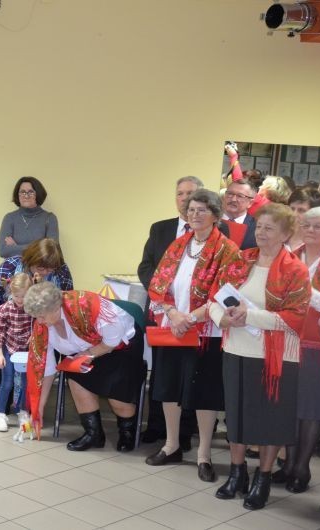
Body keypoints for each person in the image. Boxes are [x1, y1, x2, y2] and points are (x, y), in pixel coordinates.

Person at [210, 203, 309, 510]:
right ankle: (237, 473)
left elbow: (296, 317)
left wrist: (249, 316)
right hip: (237, 349)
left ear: (286, 234)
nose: (261, 233)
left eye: (270, 228)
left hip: (275, 357)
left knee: (270, 420)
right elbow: (215, 297)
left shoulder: (295, 270)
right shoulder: (241, 260)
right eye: (260, 226)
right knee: (236, 415)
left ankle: (262, 478)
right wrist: (222, 319)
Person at [146, 189, 240, 483]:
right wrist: (173, 314)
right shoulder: (178, 245)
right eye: (191, 210)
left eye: (202, 210)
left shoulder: (227, 249)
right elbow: (159, 284)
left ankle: (204, 455)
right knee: (169, 388)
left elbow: (224, 293)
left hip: (206, 333)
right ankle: (171, 445)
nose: (195, 215)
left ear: (215, 215)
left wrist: (190, 318)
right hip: (173, 328)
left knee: (204, 394)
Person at [23, 281, 143, 450]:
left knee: (118, 399)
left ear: (56, 308)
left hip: (120, 347)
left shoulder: (85, 306)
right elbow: (46, 369)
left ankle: (127, 432)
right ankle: (93, 434)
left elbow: (112, 341)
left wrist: (89, 353)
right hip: (84, 351)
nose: (39, 321)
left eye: (42, 316)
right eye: (36, 317)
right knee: (76, 377)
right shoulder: (43, 326)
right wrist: (39, 408)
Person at [137, 176, 205, 449]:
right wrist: (163, 294)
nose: (185, 198)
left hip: (193, 316)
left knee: (190, 373)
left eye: (191, 193)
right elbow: (145, 267)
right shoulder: (160, 228)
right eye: (180, 193)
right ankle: (156, 426)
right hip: (162, 312)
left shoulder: (214, 232)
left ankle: (184, 432)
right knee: (162, 371)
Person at [275, 207, 320, 493]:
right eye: (307, 224)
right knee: (289, 403)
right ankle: (287, 463)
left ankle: (302, 467)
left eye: (319, 226)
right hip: (287, 338)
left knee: (310, 406)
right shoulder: (291, 256)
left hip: (318, 342)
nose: (310, 230)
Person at [0, 238, 74, 400]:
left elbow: (67, 301)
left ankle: (33, 398)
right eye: (41, 268)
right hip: (10, 328)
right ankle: (8, 396)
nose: (45, 272)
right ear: (30, 260)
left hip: (45, 329)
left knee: (57, 348)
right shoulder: (10, 266)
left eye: (50, 269)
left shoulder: (62, 271)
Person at [0, 273, 34, 432]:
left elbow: (39, 326)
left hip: (25, 351)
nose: (20, 300)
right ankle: (0, 414)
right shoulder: (4, 310)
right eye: (16, 296)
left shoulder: (33, 309)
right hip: (8, 348)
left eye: (24, 296)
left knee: (26, 383)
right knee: (7, 382)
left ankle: (23, 412)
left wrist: (34, 336)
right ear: (10, 293)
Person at [0, 177, 59, 258]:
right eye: (22, 192)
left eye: (31, 192)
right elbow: (3, 251)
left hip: (41, 266)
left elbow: (51, 250)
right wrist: (38, 247)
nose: (26, 196)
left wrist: (15, 247)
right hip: (15, 266)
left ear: (38, 194)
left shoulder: (49, 218)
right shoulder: (9, 218)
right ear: (18, 195)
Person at [221, 180, 258, 251]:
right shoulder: (210, 220)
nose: (233, 199)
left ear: (250, 203)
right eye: (230, 194)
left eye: (240, 196)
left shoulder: (257, 228)